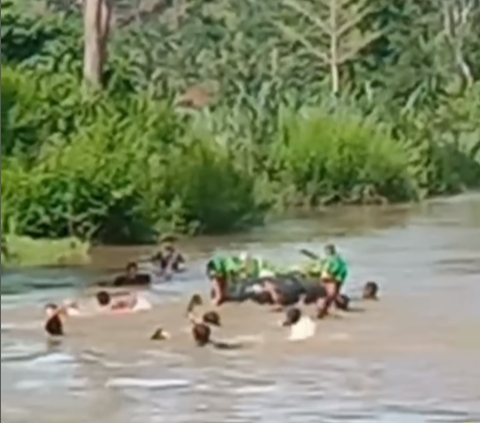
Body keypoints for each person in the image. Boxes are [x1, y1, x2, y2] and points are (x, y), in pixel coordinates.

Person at [317, 244, 348, 319]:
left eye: (328, 250)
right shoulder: (330, 259)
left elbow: (337, 269)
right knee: (332, 294)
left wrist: (331, 273)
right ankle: (324, 309)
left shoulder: (335, 259)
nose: (327, 251)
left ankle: (324, 309)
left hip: (333, 278)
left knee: (332, 294)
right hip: (331, 278)